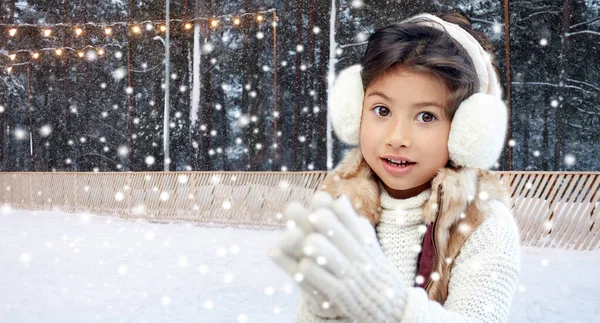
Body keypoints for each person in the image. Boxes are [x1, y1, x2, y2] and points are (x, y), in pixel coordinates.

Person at [268, 10, 521, 323]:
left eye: (426, 116)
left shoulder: (483, 222)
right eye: (382, 110)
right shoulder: (344, 207)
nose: (397, 137)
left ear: (466, 131)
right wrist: (323, 312)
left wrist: (390, 307)